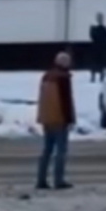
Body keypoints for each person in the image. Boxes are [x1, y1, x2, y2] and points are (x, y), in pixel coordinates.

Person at [36, 51, 76, 190]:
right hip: (59, 118)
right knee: (61, 151)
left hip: (47, 118)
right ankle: (58, 180)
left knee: (47, 150)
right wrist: (70, 118)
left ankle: (41, 180)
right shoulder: (63, 78)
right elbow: (66, 102)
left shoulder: (46, 76)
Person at [88, 14, 106, 82]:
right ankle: (93, 76)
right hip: (96, 47)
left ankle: (101, 76)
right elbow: (92, 36)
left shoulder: (104, 28)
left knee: (101, 62)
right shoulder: (94, 28)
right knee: (94, 61)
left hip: (100, 47)